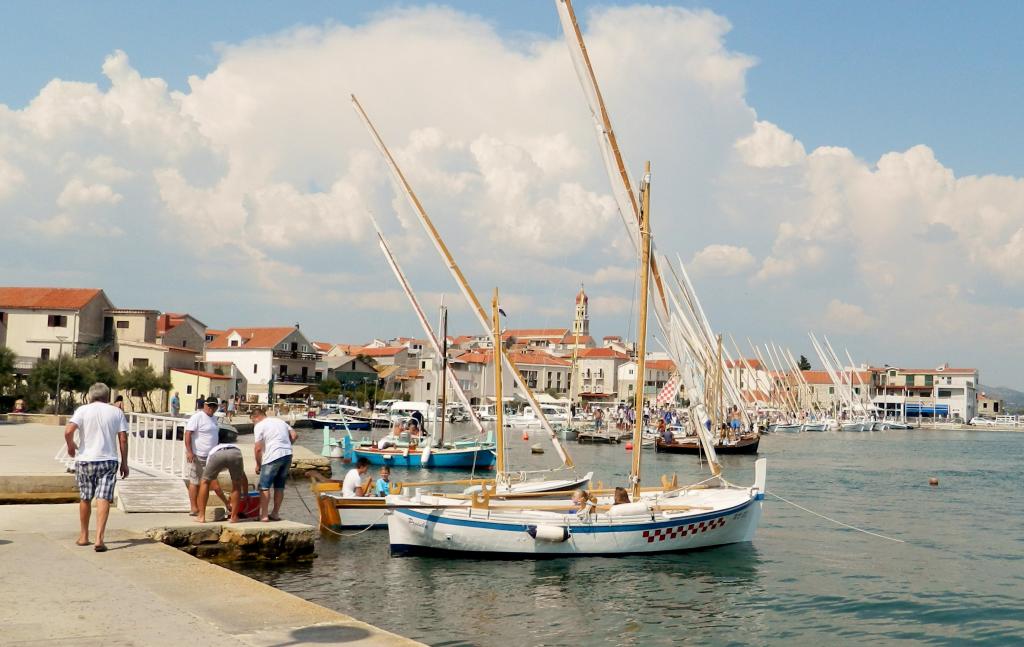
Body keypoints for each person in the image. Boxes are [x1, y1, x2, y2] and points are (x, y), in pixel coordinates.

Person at [63, 382, 129, 552]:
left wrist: (70, 447)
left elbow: (68, 431)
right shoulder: (116, 412)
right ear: (107, 396)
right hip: (108, 461)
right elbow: (123, 439)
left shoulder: (82, 410)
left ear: (90, 396)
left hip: (85, 460)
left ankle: (84, 536)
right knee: (103, 497)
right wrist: (124, 462)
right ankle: (99, 538)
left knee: (85, 498)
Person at [184, 398, 230, 516]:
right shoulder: (197, 417)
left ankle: (221, 505)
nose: (211, 408)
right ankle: (194, 508)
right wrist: (189, 452)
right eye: (209, 405)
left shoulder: (214, 418)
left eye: (214, 406)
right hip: (197, 455)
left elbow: (213, 436)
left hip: (211, 456)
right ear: (205, 405)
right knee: (195, 481)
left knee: (208, 483)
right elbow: (188, 434)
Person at [251, 407, 297, 522]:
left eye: (253, 421)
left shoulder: (259, 425)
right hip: (287, 455)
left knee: (264, 487)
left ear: (256, 417)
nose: (253, 423)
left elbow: (257, 449)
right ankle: (275, 513)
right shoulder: (280, 421)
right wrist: (286, 445)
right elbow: (294, 435)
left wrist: (258, 464)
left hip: (272, 457)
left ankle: (264, 515)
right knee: (279, 486)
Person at [195, 431, 248, 523]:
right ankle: (234, 517)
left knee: (205, 482)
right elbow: (244, 479)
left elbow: (216, 487)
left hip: (217, 455)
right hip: (235, 453)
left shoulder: (212, 451)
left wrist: (226, 503)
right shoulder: (233, 447)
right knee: (236, 485)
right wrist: (246, 495)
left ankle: (201, 516)